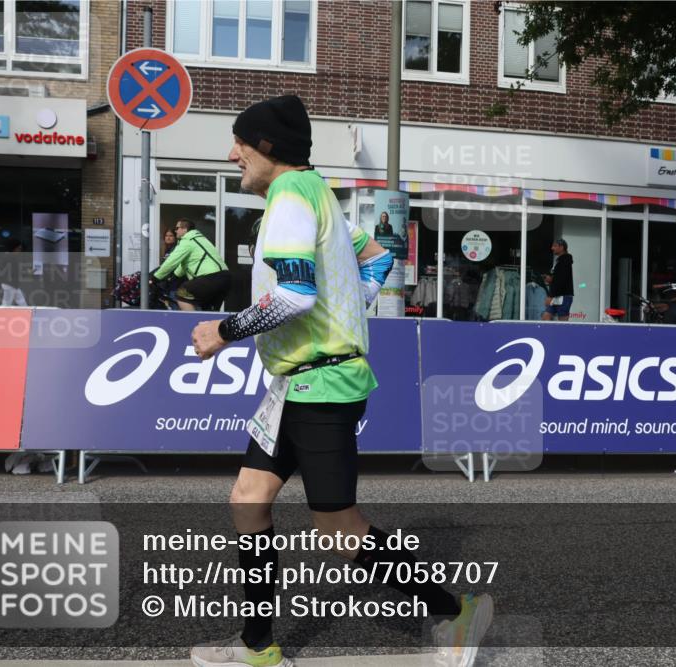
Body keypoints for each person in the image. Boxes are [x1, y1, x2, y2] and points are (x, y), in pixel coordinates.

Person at [189, 95, 493, 667]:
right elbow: (379, 260)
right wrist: (348, 306)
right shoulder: (317, 194)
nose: (233, 154)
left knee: (340, 532)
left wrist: (223, 332)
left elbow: (296, 294)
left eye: (240, 143)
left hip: (321, 387)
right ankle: (258, 648)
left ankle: (457, 613)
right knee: (248, 499)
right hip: (297, 384)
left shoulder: (288, 198)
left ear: (269, 148)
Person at [152, 218, 232, 311]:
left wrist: (155, 278)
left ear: (185, 229)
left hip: (211, 277)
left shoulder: (187, 241)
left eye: (177, 228)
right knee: (209, 310)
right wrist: (172, 278)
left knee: (181, 294)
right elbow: (183, 266)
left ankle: (191, 323)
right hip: (225, 278)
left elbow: (171, 262)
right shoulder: (200, 239)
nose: (175, 230)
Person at [541, 238, 574, 321]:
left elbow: (561, 280)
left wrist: (550, 296)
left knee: (563, 321)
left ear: (562, 247)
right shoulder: (559, 261)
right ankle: (547, 334)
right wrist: (550, 279)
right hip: (557, 295)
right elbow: (558, 278)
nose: (552, 248)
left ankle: (564, 334)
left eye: (555, 246)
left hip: (563, 295)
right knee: (546, 317)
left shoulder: (565, 260)